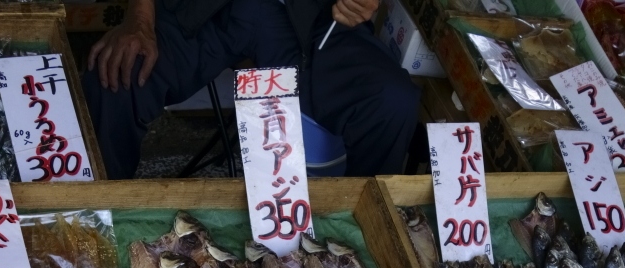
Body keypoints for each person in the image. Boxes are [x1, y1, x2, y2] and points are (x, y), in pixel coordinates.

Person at [83, 0, 421, 179]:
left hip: (312, 16)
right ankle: (98, 221)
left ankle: (356, 244)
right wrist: (139, 18)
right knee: (114, 77)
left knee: (392, 101)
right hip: (206, 10)